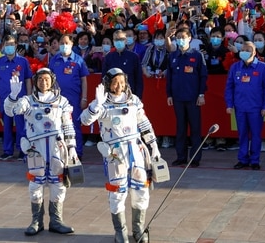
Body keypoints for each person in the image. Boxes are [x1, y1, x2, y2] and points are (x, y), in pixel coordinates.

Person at [80, 68, 161, 243]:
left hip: (136, 149)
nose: (119, 86)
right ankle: (120, 232)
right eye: (115, 82)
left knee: (141, 190)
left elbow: (144, 122)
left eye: (122, 82)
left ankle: (138, 230)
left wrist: (153, 145)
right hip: (115, 154)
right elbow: (84, 120)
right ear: (108, 84)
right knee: (117, 192)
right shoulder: (102, 104)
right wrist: (96, 104)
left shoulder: (133, 101)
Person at [4, 68, 76, 236]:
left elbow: (68, 125)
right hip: (36, 148)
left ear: (52, 81)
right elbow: (11, 111)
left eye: (47, 79)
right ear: (35, 82)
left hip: (57, 147)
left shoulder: (62, 101)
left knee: (58, 183)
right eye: (40, 79)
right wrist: (13, 96)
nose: (43, 82)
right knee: (36, 183)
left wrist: (71, 146)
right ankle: (36, 221)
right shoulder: (27, 101)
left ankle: (56, 220)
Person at [225, 41, 265, 170]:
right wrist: (229, 104)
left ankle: (255, 160)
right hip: (240, 107)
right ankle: (242, 159)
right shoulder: (235, 67)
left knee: (256, 135)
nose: (244, 52)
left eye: (247, 50)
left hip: (256, 109)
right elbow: (229, 87)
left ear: (253, 52)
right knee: (242, 134)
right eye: (242, 50)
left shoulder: (263, 68)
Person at [166, 28, 208, 167]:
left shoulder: (196, 56)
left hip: (193, 98)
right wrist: (169, 95)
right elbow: (169, 77)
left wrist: (201, 94)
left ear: (189, 38)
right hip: (178, 97)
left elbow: (203, 76)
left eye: (183, 37)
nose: (180, 40)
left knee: (195, 129)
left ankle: (195, 158)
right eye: (178, 37)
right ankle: (181, 156)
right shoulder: (173, 56)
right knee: (181, 128)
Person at [0, 35, 32, 160]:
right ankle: (8, 150)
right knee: (7, 125)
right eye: (7, 44)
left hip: (20, 99)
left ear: (15, 45)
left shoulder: (23, 61)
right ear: (3, 46)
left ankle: (22, 150)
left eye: (12, 44)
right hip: (4, 99)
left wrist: (29, 98)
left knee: (21, 125)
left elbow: (28, 80)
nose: (9, 47)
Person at [49, 34, 89, 158]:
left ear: (72, 44)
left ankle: (77, 152)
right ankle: (61, 152)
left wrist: (84, 98)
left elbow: (84, 80)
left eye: (66, 43)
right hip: (57, 99)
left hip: (74, 98)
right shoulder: (54, 60)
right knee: (58, 125)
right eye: (61, 43)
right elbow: (49, 79)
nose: (64, 45)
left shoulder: (78, 60)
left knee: (74, 125)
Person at [102, 30, 143, 98]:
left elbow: (138, 79)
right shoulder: (108, 57)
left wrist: (139, 97)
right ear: (113, 41)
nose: (118, 41)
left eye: (121, 39)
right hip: (112, 96)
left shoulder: (133, 57)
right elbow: (104, 78)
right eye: (116, 39)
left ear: (125, 40)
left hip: (130, 95)